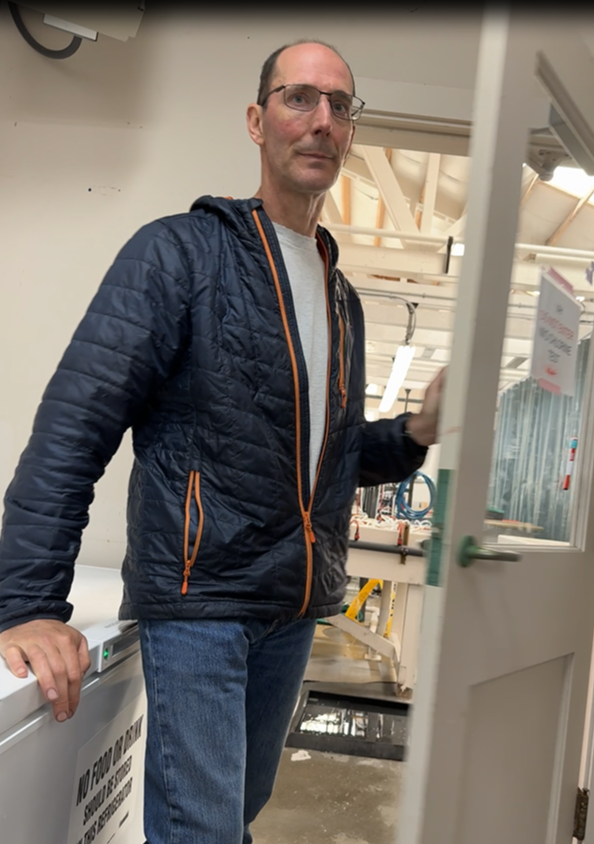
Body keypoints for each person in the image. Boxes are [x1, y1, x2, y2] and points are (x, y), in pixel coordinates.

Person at [0, 39, 443, 843]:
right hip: (201, 602)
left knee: (231, 818)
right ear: (256, 119)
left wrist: (414, 432)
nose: (320, 122)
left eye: (339, 106)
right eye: (298, 98)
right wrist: (28, 603)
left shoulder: (340, 296)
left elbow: (329, 456)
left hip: (292, 604)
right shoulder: (179, 254)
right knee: (201, 831)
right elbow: (74, 426)